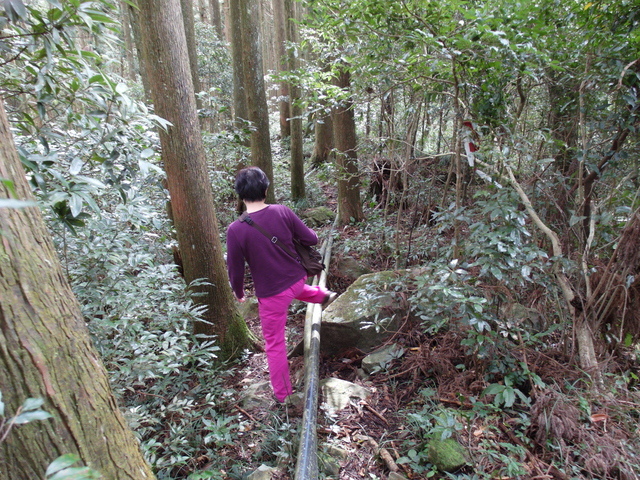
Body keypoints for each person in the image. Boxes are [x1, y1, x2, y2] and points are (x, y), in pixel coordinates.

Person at [226, 167, 337, 403]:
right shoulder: (282, 211)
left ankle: (284, 396)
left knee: (275, 344)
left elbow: (234, 268)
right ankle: (321, 295)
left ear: (240, 195)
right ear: (266, 189)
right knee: (295, 290)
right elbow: (312, 239)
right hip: (297, 278)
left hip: (272, 293)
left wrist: (238, 291)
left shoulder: (235, 230)